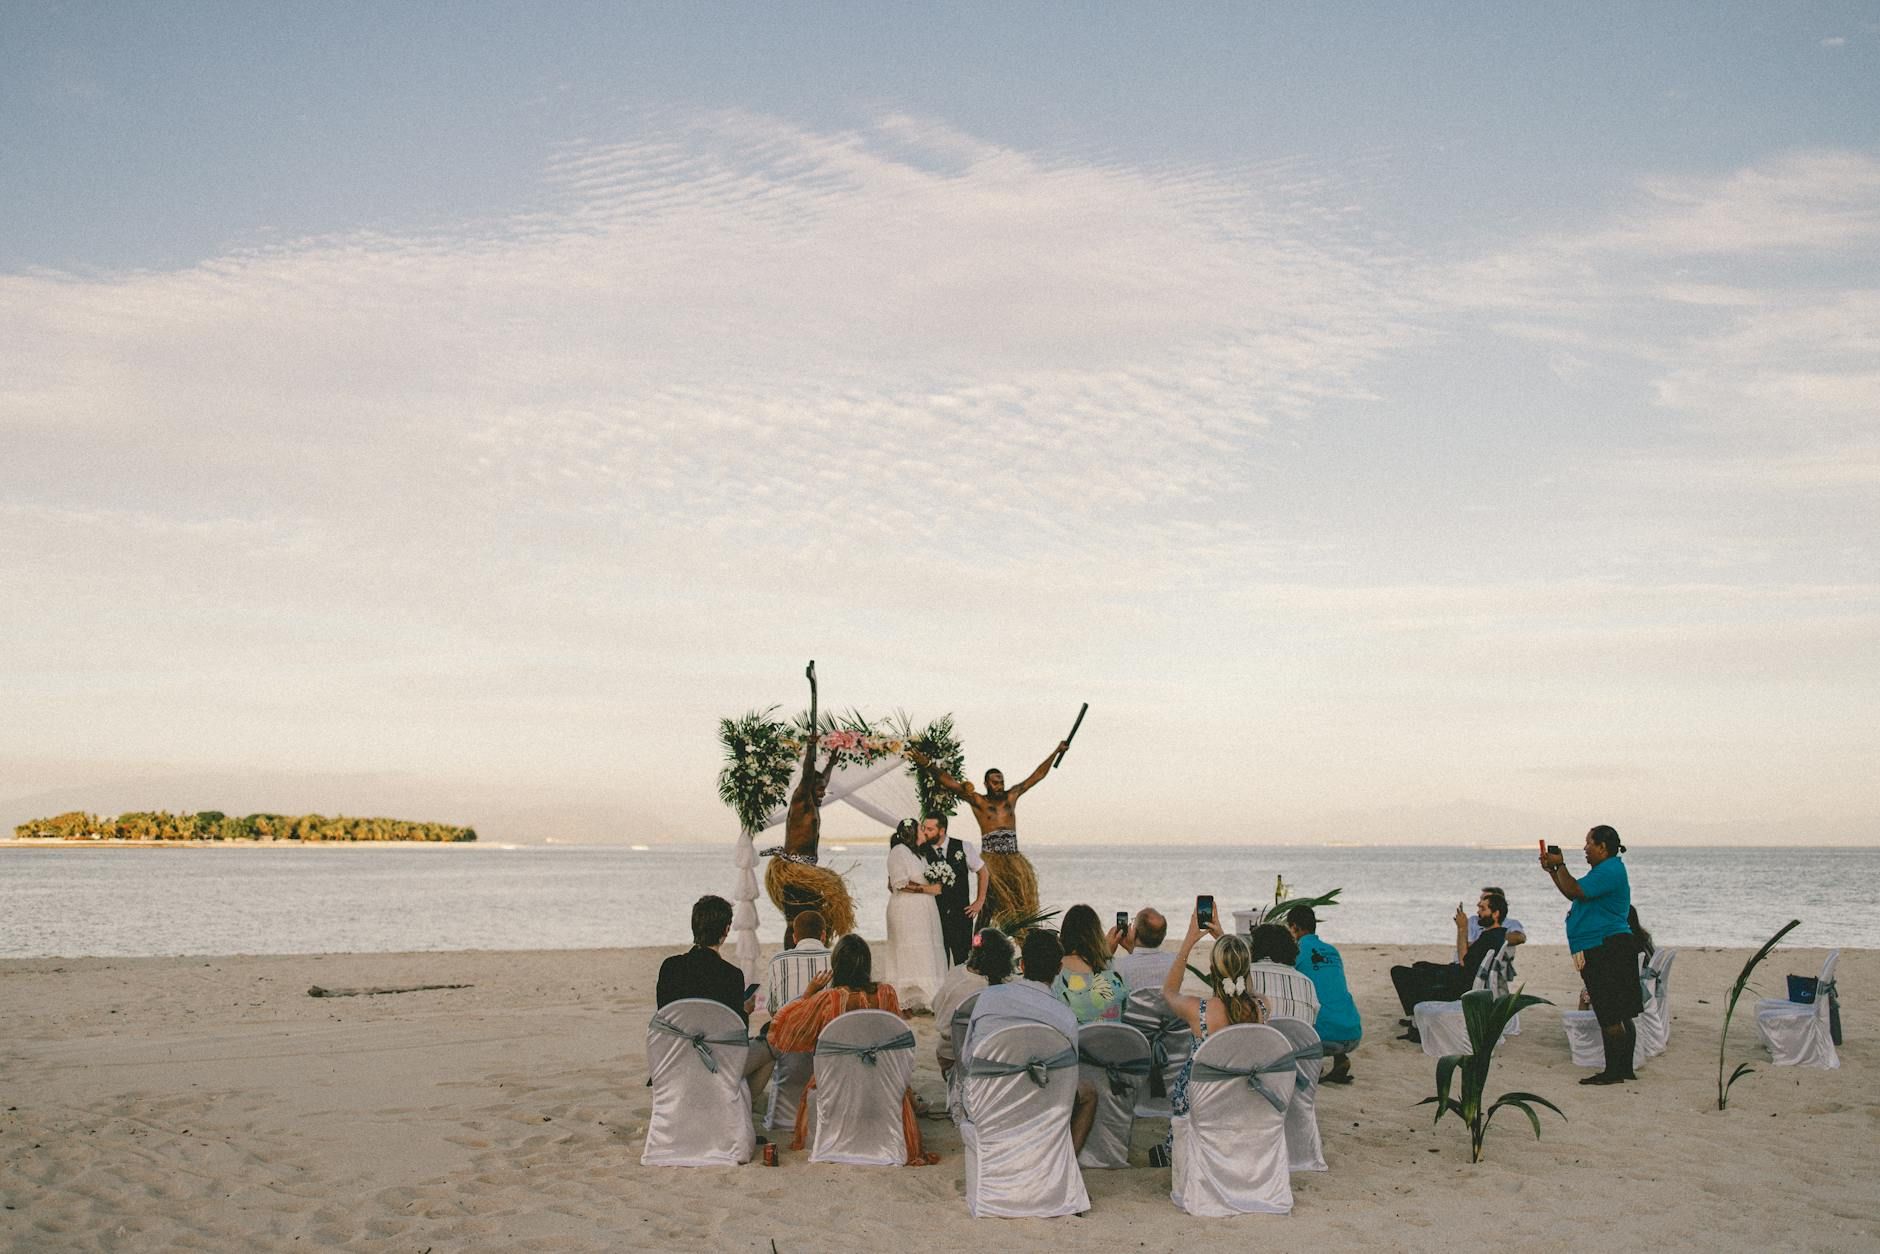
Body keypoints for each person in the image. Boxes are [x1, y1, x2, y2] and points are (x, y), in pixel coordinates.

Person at [768, 935, 939, 1165]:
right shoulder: (886, 994)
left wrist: (809, 992)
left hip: (837, 1085)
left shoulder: (828, 999)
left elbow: (784, 1029)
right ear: (867, 964)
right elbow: (898, 1039)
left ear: (836, 966)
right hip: (881, 1084)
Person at [906, 739, 1069, 930]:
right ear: (986, 783)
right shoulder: (979, 802)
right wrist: (925, 763)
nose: (999, 786)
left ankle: (1028, 943)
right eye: (995, 782)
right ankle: (977, 948)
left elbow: (1037, 775)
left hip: (1014, 859)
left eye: (1001, 782)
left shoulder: (1011, 796)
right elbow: (950, 783)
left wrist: (1057, 751)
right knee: (987, 906)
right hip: (992, 861)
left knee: (1023, 905)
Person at [961, 928, 1099, 1154]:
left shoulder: (988, 998)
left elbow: (968, 1059)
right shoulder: (1064, 1016)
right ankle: (1065, 1165)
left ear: (1022, 965)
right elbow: (1067, 1076)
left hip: (984, 1105)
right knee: (1089, 1093)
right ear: (1059, 969)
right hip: (1038, 1109)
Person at [1150, 907, 1268, 1168]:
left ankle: (1171, 1152)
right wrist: (1223, 938)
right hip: (1244, 1099)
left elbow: (1168, 991)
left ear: (1213, 968)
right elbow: (1243, 988)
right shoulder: (1262, 1007)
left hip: (1204, 1104)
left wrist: (1188, 942)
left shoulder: (1198, 1011)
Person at [1542, 825, 1641, 1085]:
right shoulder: (1604, 871)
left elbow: (1574, 889)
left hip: (1605, 946)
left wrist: (1560, 864)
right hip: (1606, 945)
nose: (1585, 849)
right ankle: (1624, 1070)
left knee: (1609, 1012)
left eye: (1588, 844)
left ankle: (1614, 1072)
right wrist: (1554, 871)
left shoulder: (1609, 869)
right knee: (1619, 1012)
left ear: (1602, 847)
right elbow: (1570, 891)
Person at [762, 664, 856, 940]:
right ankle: (791, 953)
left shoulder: (815, 797)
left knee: (815, 918)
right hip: (794, 871)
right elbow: (808, 773)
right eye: (818, 789)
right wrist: (812, 749)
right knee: (796, 920)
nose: (822, 793)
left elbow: (820, 779)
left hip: (807, 868)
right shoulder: (802, 800)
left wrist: (832, 763)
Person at [655, 894, 775, 1093]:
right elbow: (737, 1035)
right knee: (770, 1049)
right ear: (726, 930)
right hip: (718, 1064)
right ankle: (742, 1107)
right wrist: (745, 1011)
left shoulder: (670, 967)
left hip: (674, 1060)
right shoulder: (731, 976)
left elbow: (666, 1015)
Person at [1389, 890, 1510, 1041]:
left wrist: (1462, 928)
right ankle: (1417, 1019)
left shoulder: (1490, 937)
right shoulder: (1496, 934)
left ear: (1496, 913)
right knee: (1420, 966)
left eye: (1482, 909)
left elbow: (1463, 960)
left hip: (1460, 985)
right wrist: (1462, 930)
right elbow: (1466, 954)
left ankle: (1416, 1024)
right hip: (1462, 976)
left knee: (1399, 972)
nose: (1478, 912)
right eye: (1479, 908)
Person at [1285, 904, 1361, 1084]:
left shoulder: (1296, 951)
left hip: (1323, 1039)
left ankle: (1313, 1065)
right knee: (1330, 996)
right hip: (1353, 1031)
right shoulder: (1333, 951)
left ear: (1294, 927)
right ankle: (1341, 1058)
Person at [933, 926, 1015, 1079]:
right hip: (989, 1058)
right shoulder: (1006, 986)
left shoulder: (957, 973)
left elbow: (937, 1010)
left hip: (950, 1056)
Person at [883, 818, 947, 1012]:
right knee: (908, 951)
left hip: (924, 909)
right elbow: (899, 883)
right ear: (912, 832)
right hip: (907, 910)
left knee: (925, 950)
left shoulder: (920, 854)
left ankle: (928, 999)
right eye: (921, 828)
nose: (925, 831)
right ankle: (902, 1003)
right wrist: (929, 889)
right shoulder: (898, 852)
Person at [919, 814, 987, 965]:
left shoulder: (963, 846)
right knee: (937, 962)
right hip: (934, 915)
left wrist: (979, 901)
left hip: (961, 915)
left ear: (941, 831)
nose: (925, 832)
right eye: (923, 828)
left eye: (930, 829)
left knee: (963, 961)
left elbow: (983, 871)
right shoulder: (921, 851)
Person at [1052, 904, 1129, 1023]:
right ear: (1097, 934)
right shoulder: (1115, 971)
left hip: (1074, 1041)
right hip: (1112, 1039)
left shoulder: (1055, 972)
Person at [1246, 923, 1321, 1023]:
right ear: (1291, 950)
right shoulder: (1307, 983)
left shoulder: (1245, 975)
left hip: (1259, 1038)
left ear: (1254, 948)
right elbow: (1311, 1024)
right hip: (1297, 1038)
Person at [766, 909, 832, 1014]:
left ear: (794, 938)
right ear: (823, 935)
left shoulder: (777, 961)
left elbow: (773, 1010)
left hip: (789, 1027)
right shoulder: (836, 959)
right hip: (828, 1028)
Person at [1108, 907, 1174, 991]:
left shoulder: (1119, 966)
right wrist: (1132, 949)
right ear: (1164, 934)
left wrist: (1107, 951)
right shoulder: (1175, 963)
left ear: (1134, 932)